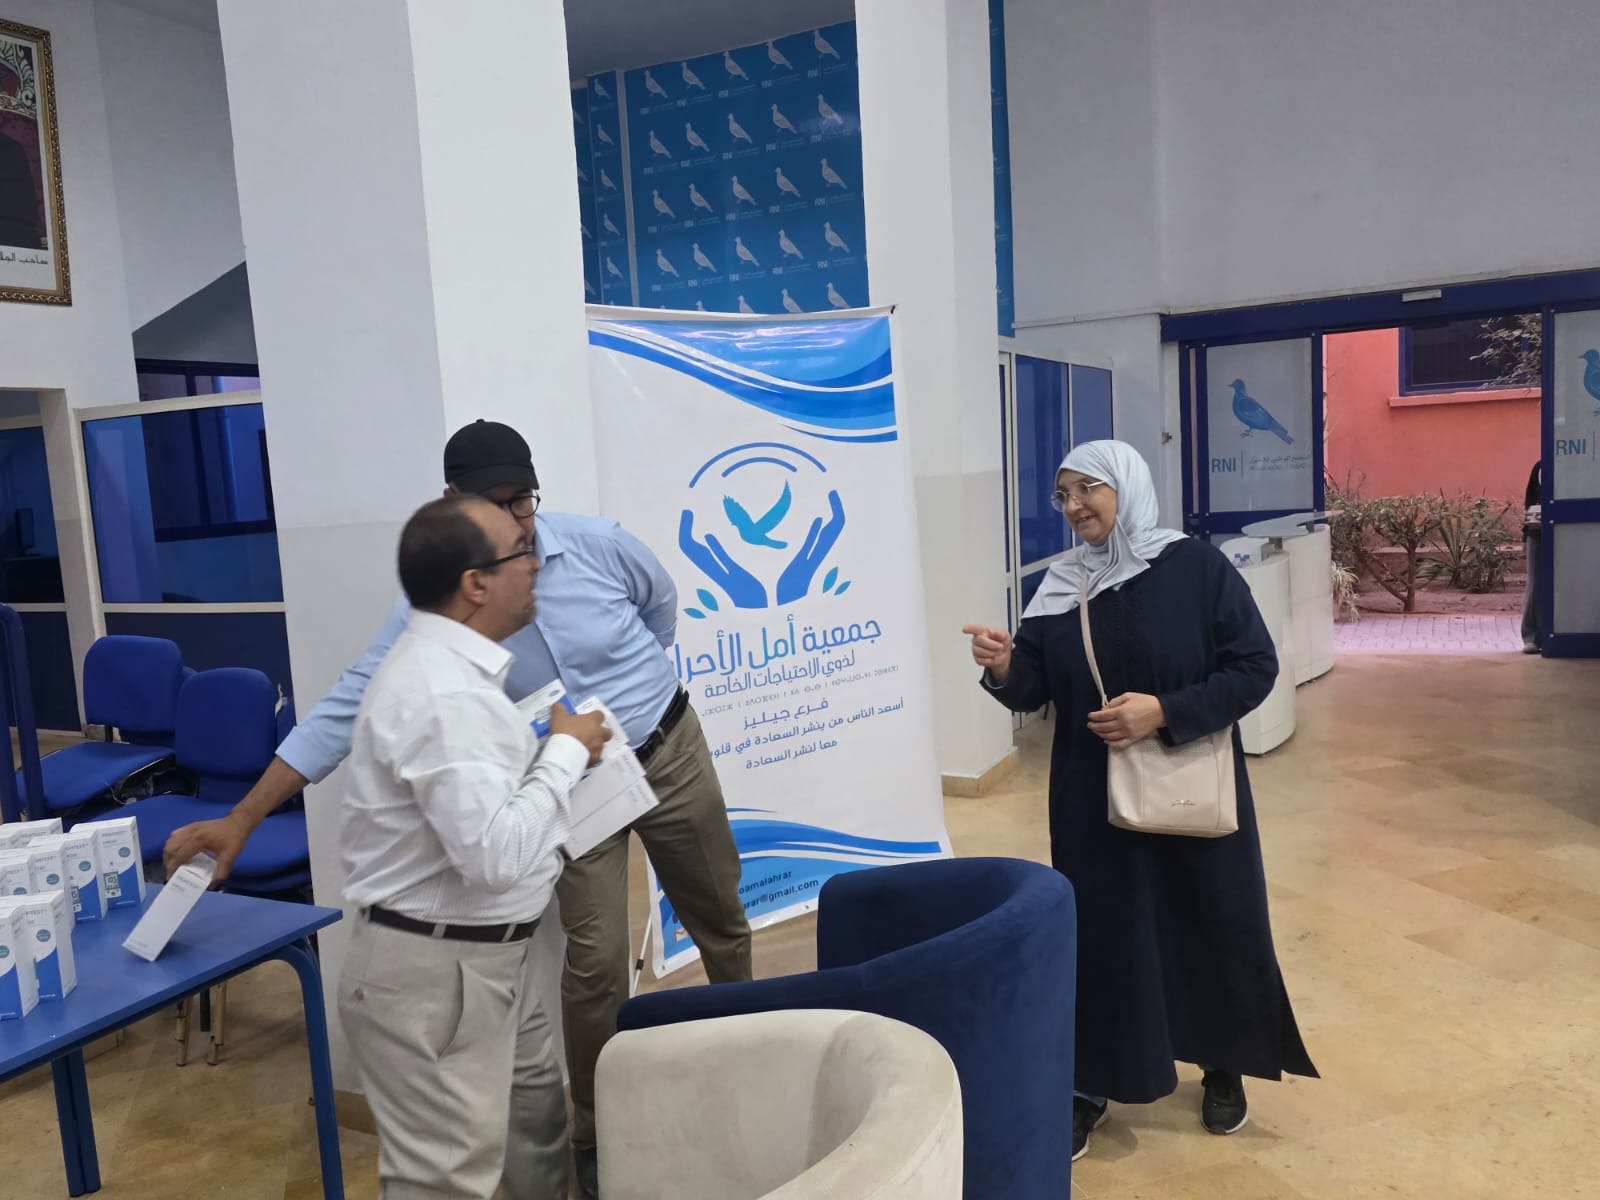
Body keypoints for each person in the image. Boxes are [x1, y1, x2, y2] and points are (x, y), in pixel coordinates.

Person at [165, 421, 754, 1200]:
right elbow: (341, 711)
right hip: (568, 791)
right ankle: (596, 1133)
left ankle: (754, 1060)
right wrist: (243, 815)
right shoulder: (437, 634)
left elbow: (661, 609)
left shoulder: (599, 545)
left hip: (665, 748)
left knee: (720, 915)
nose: (520, 526)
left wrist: (637, 695)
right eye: (497, 506)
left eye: (524, 501)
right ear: (455, 508)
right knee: (595, 961)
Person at [962, 440, 1317, 1163]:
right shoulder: (1062, 584)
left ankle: (1223, 1063)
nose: (1073, 506)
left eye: (1087, 489)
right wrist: (1003, 668)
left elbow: (1255, 666)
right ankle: (1093, 1081)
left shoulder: (1195, 568)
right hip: (1092, 798)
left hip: (1190, 783)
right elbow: (1036, 686)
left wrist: (1164, 712)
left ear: (1126, 487)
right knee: (1104, 933)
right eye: (1062, 495)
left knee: (1209, 919)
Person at [338, 495, 609, 1198]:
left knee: (526, 1133)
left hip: (483, 962)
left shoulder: (454, 676)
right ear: (475, 584)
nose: (536, 564)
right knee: (445, 1180)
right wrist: (565, 754)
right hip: (436, 974)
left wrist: (553, 760)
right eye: (520, 552)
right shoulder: (444, 694)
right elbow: (494, 858)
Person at [1522, 461, 1542, 654]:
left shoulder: (1575, 466)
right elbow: (1529, 501)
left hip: (1568, 532)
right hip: (1537, 533)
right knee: (1535, 585)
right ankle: (1531, 637)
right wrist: (1525, 536)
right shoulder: (1540, 467)